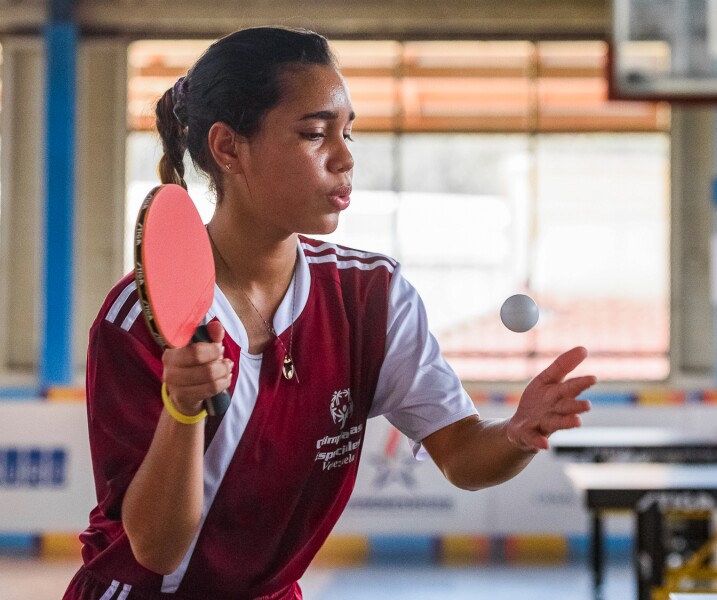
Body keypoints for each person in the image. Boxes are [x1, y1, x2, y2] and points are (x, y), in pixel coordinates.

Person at [64, 26, 596, 599]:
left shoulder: (372, 297)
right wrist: (183, 408)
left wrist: (516, 433)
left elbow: (463, 453)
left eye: (347, 132)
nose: (345, 158)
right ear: (228, 148)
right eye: (314, 134)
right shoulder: (135, 320)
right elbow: (157, 549)